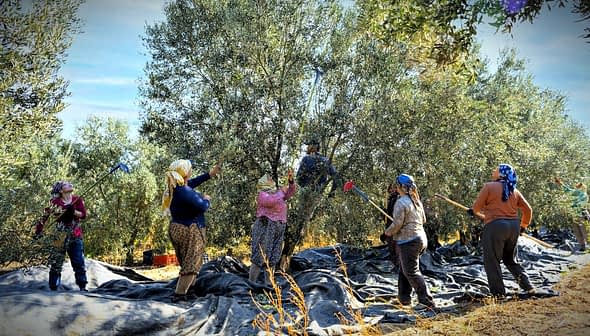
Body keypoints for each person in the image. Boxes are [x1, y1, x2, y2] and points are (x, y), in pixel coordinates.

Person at [468, 164, 535, 298]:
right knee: (510, 260)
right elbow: (528, 210)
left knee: (492, 261)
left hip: (495, 227)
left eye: (496, 169)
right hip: (513, 226)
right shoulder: (514, 190)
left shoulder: (489, 187)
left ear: (501, 173)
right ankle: (528, 286)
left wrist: (472, 211)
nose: (493, 170)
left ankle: (498, 294)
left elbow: (476, 207)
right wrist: (523, 226)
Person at [161, 159, 220, 302]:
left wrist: (209, 175)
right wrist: (206, 199)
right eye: (190, 169)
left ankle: (190, 290)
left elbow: (192, 183)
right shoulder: (184, 191)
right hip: (190, 229)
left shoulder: (175, 187)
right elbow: (201, 207)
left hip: (177, 227)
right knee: (192, 263)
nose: (191, 171)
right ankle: (179, 295)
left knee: (186, 260)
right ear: (185, 172)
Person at [280, 139, 340, 270]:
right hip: (318, 195)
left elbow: (299, 178)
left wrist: (302, 185)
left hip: (306, 194)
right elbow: (336, 176)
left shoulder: (307, 159)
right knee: (303, 222)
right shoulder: (325, 160)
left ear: (314, 147)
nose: (307, 148)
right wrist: (331, 193)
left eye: (309, 145)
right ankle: (289, 253)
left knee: (298, 222)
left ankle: (286, 258)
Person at [382, 174, 435, 309]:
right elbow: (423, 220)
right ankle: (404, 298)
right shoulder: (416, 201)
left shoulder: (401, 202)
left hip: (409, 241)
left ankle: (426, 301)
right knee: (404, 268)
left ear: (400, 186)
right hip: (421, 238)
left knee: (411, 271)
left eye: (396, 185)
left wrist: (386, 233)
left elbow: (397, 224)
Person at [35, 181, 88, 291]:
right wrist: (38, 231)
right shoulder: (54, 202)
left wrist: (73, 211)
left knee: (78, 262)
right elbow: (43, 218)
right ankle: (54, 287)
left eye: (70, 183)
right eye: (66, 184)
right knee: (56, 262)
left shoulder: (77, 199)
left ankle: (82, 286)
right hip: (60, 235)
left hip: (75, 235)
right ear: (60, 190)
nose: (70, 184)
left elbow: (83, 215)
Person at [249, 170, 296, 284]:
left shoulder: (277, 193)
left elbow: (290, 192)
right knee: (260, 255)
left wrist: (290, 181)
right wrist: (281, 192)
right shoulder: (262, 195)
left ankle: (268, 285)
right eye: (269, 179)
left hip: (279, 226)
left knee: (273, 256)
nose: (272, 180)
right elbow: (270, 202)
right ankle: (251, 284)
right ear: (264, 183)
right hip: (266, 227)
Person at [554, 177, 588, 252]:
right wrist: (560, 184)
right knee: (577, 232)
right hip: (574, 215)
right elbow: (567, 190)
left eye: (578, 186)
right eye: (577, 186)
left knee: (584, 231)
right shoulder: (575, 192)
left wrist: (573, 206)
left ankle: (587, 245)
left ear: (582, 188)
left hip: (581, 215)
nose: (577, 188)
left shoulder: (584, 194)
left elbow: (581, 203)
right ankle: (583, 246)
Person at [380, 182, 400, 267]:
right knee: (391, 247)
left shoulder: (398, 199)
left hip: (395, 226)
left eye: (393, 188)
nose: (391, 190)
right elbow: (388, 213)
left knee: (396, 247)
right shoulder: (390, 199)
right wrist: (383, 212)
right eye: (390, 188)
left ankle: (399, 266)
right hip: (390, 225)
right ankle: (394, 266)